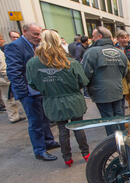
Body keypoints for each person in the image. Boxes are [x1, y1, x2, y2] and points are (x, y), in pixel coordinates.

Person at [26, 30, 90, 167]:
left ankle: (67, 157)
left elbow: (32, 83)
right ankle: (86, 153)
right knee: (78, 127)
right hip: (73, 99)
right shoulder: (70, 62)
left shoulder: (33, 64)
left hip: (53, 101)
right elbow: (83, 81)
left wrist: (47, 88)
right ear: (59, 41)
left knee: (62, 129)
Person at [4, 23, 59, 161]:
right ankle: (40, 150)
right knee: (35, 122)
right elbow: (14, 72)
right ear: (25, 31)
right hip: (29, 92)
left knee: (44, 118)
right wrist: (24, 93)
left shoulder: (37, 46)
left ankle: (48, 141)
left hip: (40, 90)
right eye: (35, 34)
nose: (38, 37)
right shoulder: (15, 46)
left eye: (39, 34)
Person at [81, 26, 128, 136]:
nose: (91, 39)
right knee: (119, 117)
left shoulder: (91, 52)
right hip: (117, 90)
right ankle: (123, 142)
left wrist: (88, 87)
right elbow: (124, 72)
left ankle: (113, 145)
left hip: (101, 93)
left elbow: (85, 74)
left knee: (108, 119)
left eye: (93, 36)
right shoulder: (120, 52)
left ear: (100, 36)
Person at [0, 35, 26, 123]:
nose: (3, 40)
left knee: (8, 98)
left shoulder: (4, 49)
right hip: (5, 79)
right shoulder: (2, 51)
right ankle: (14, 116)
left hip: (4, 78)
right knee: (9, 98)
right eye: (1, 39)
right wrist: (7, 77)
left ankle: (14, 116)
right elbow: (3, 67)